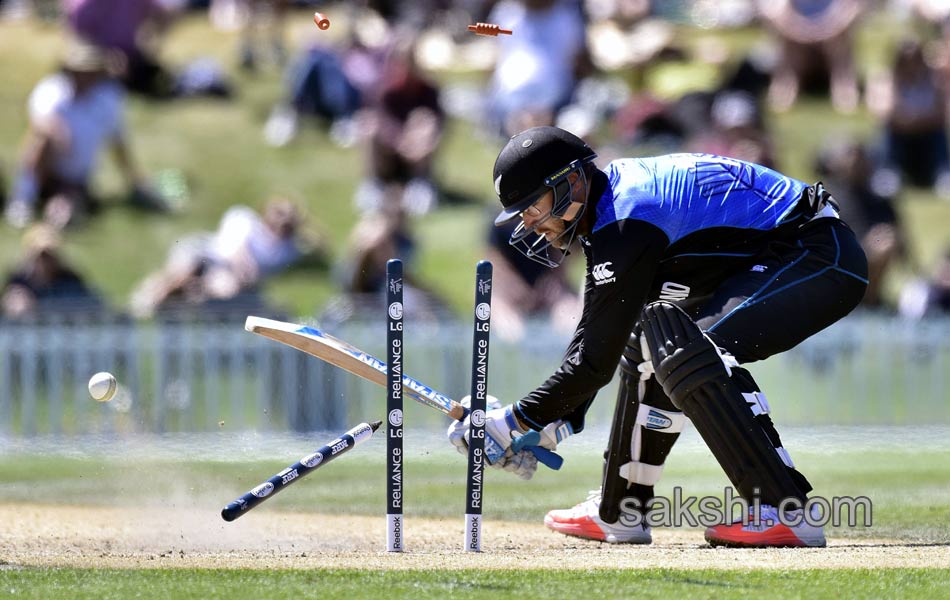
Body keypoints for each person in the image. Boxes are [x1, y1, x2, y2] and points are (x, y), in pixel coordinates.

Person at [447, 126, 868, 548]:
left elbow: (593, 359)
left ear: (570, 181)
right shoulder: (610, 213)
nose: (529, 223)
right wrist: (551, 422)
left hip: (817, 253)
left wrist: (516, 419)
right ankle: (621, 511)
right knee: (651, 343)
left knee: (691, 351)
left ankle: (784, 510)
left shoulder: (628, 219)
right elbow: (598, 341)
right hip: (775, 256)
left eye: (531, 206)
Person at [5, 37, 166, 229]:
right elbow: (40, 122)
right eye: (79, 71)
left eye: (89, 71)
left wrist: (136, 182)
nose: (83, 76)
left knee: (64, 218)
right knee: (43, 140)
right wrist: (56, 132)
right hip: (45, 171)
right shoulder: (52, 90)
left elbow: (118, 144)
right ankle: (23, 200)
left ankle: (59, 206)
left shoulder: (109, 99)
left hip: (75, 179)